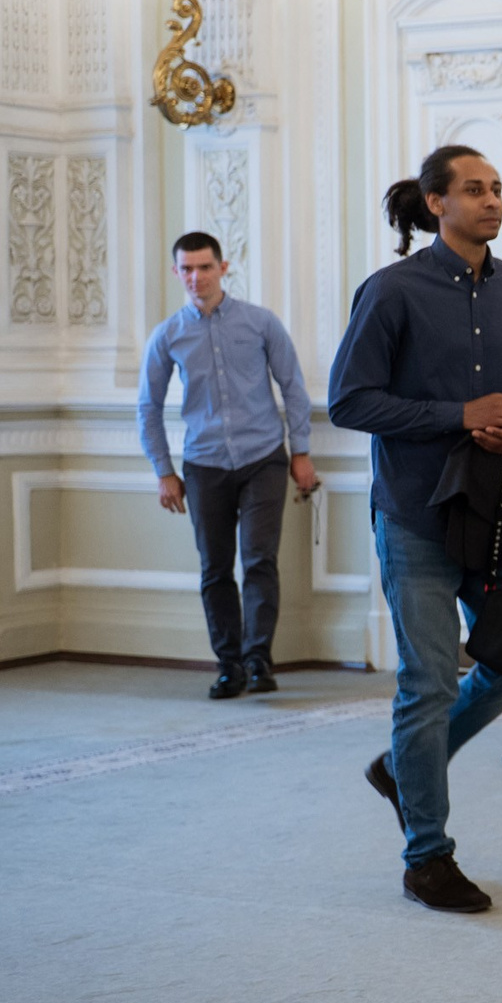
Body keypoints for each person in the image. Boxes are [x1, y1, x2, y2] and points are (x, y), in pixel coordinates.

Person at [331, 145, 502, 915]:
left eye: (497, 187)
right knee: (427, 682)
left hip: (494, 512)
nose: (491, 200)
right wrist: (458, 415)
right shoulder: (391, 291)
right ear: (435, 203)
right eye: (473, 189)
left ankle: (404, 765)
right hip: (417, 514)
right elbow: (349, 401)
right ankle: (427, 854)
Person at [137, 231, 319, 699]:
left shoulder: (260, 324)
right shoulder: (168, 335)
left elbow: (293, 387)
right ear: (176, 273)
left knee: (259, 560)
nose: (196, 277)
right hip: (203, 465)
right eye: (187, 269)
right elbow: (147, 408)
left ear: (223, 268)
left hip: (263, 460)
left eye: (204, 267)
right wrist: (164, 471)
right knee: (215, 568)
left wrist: (300, 452)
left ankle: (259, 660)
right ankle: (229, 665)